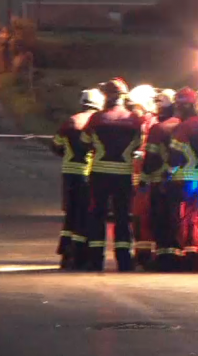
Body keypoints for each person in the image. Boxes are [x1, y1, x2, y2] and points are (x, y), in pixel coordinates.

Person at [79, 78, 144, 271]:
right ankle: (124, 261)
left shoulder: (97, 119)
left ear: (106, 96)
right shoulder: (134, 120)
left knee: (97, 215)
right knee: (123, 217)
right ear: (123, 97)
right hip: (123, 174)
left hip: (99, 173)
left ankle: (96, 260)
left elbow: (84, 142)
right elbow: (139, 145)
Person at [50, 88, 103, 270]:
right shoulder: (97, 122)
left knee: (70, 214)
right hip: (88, 173)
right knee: (85, 213)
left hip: (69, 173)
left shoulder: (71, 121)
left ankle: (66, 252)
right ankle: (80, 254)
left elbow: (56, 145)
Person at [167, 88, 198, 269]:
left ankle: (188, 254)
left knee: (184, 218)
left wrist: (169, 175)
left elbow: (174, 155)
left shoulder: (184, 127)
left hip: (185, 178)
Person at [142, 89, 185, 271]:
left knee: (160, 221)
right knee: (175, 221)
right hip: (181, 180)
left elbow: (151, 158)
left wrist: (144, 178)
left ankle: (163, 260)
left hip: (160, 181)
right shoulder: (184, 125)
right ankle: (176, 257)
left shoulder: (158, 129)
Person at [125, 85, 160, 267]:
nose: (133, 111)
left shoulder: (149, 124)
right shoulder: (145, 123)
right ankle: (143, 254)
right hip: (141, 180)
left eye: (135, 106)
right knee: (139, 219)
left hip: (147, 180)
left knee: (144, 218)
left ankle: (145, 256)